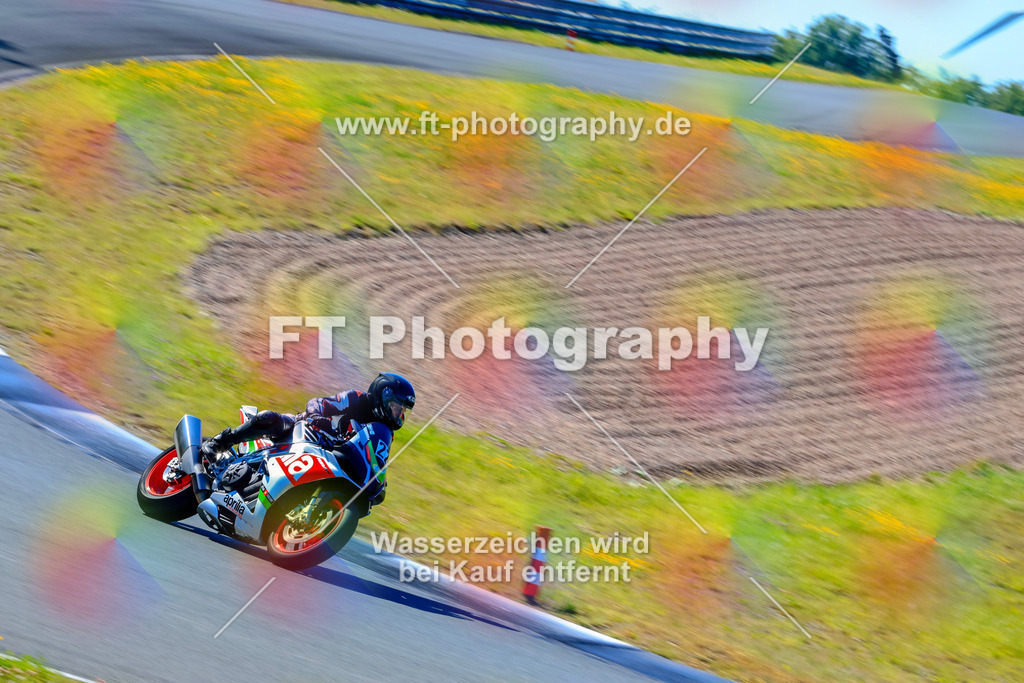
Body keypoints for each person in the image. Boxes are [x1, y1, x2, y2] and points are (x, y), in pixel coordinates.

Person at [199, 373, 415, 506]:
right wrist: (318, 418)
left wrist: (379, 483)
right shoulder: (357, 399)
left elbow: (376, 458)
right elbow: (317, 403)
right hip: (304, 431)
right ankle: (219, 442)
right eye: (398, 408)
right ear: (383, 396)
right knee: (271, 418)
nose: (400, 415)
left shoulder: (384, 432)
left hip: (327, 457)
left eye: (403, 411)